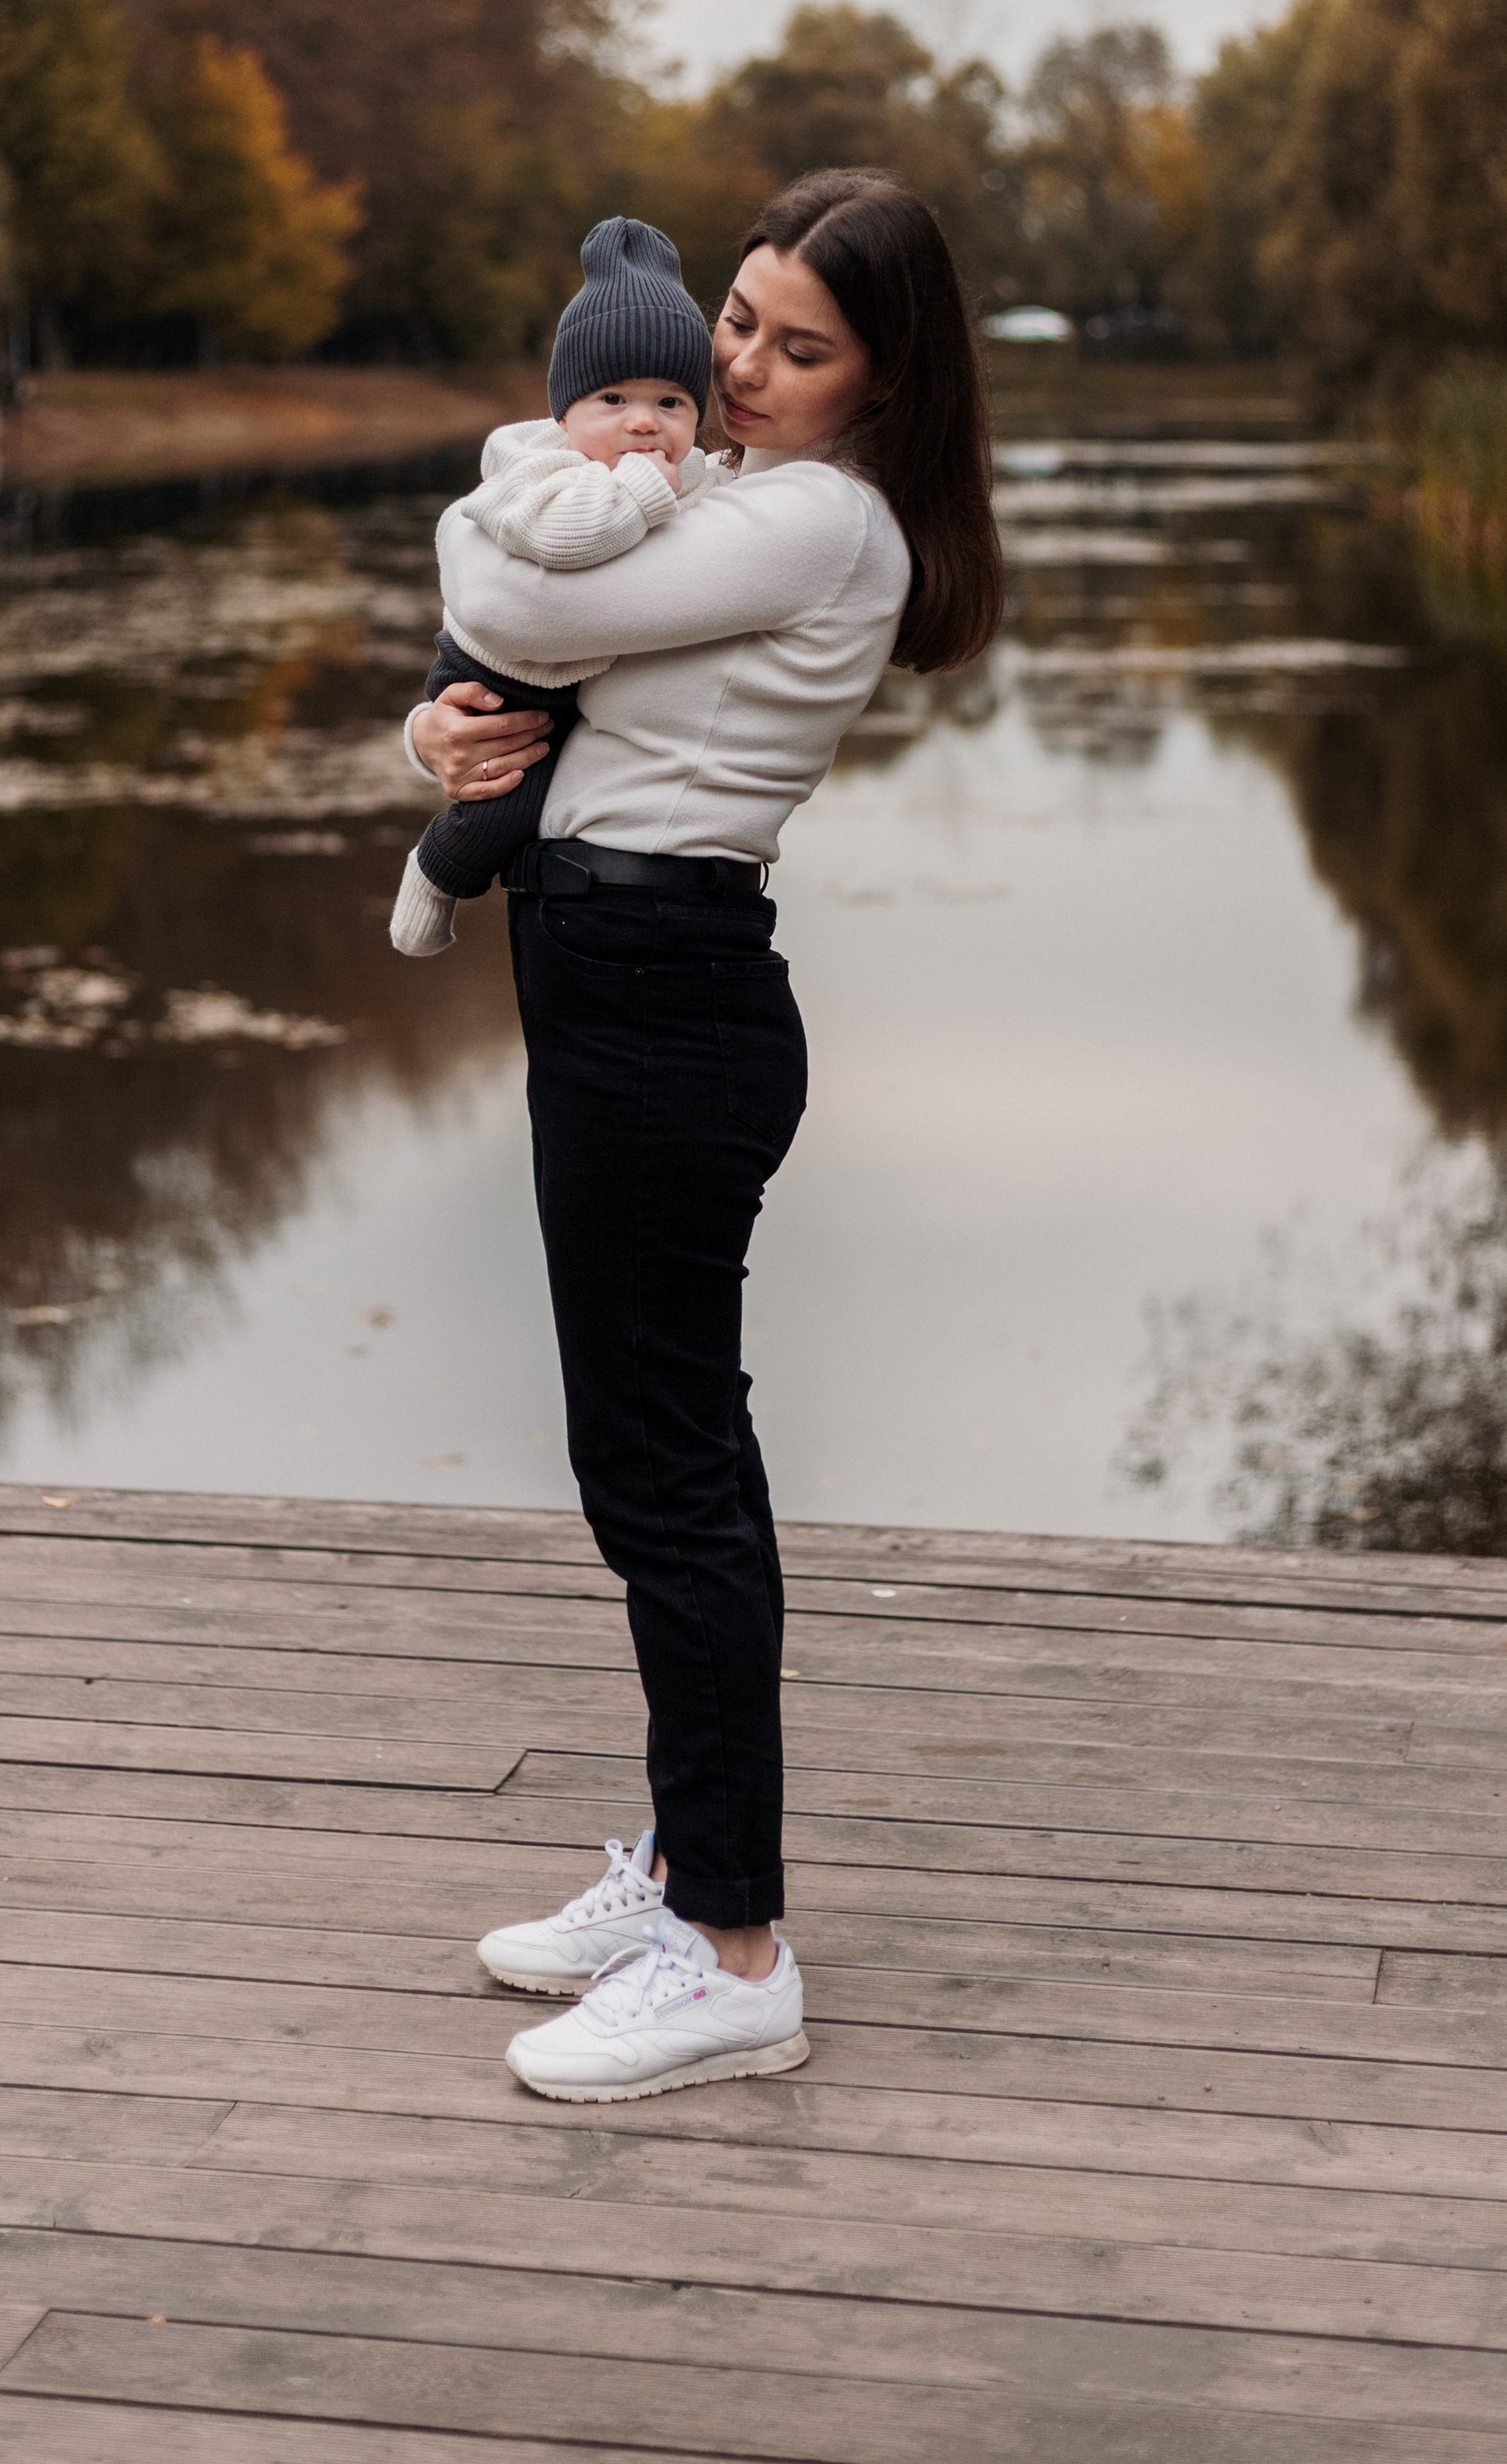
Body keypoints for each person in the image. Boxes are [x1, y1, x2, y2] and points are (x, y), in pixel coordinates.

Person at [406, 167, 1003, 2105]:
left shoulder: (818, 516)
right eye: (736, 317)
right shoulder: (741, 497)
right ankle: (682, 1866)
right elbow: (548, 676)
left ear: (883, 384)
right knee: (655, 1447)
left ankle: (733, 1947)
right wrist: (447, 742)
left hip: (664, 1000)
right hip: (616, 979)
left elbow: (501, 587)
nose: (736, 364)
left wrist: (498, 564)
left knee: (659, 1467)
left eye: (794, 345)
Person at [390, 217, 719, 959]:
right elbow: (566, 540)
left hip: (570, 684)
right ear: (565, 413)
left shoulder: (678, 472)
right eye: (613, 400)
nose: (644, 422)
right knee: (505, 803)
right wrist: (643, 489)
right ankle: (436, 874)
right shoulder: (541, 473)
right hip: (495, 679)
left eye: (672, 403)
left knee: (552, 798)